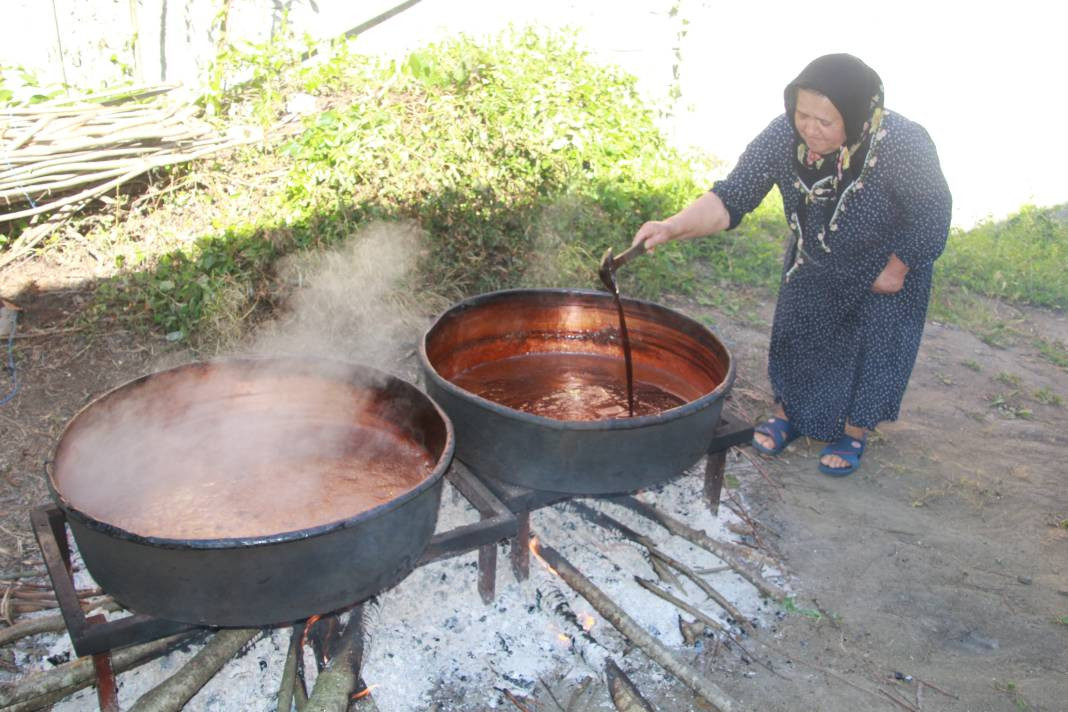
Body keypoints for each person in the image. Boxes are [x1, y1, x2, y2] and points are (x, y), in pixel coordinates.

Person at [631, 53, 951, 476]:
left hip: (883, 268)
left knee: (872, 350)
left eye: (826, 121)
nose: (810, 130)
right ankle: (790, 414)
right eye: (803, 115)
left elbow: (934, 210)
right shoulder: (784, 135)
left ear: (857, 115)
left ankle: (853, 433)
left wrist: (898, 269)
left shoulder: (903, 144)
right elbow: (731, 198)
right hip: (814, 257)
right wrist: (672, 227)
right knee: (799, 336)